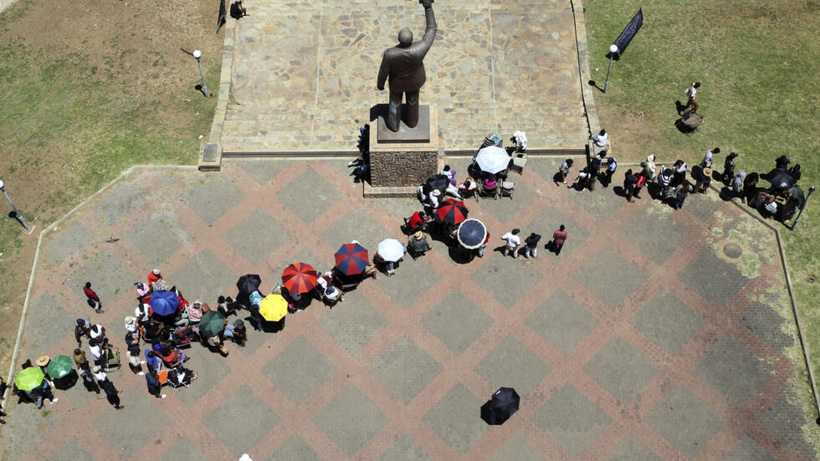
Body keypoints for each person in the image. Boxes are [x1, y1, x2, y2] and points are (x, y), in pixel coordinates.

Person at [376, 0, 437, 132]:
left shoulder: (390, 54)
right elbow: (431, 29)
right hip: (414, 82)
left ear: (399, 39)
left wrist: (380, 85)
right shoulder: (420, 48)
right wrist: (428, 8)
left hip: (397, 84)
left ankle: (393, 126)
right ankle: (412, 123)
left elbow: (383, 72)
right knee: (413, 101)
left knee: (394, 103)